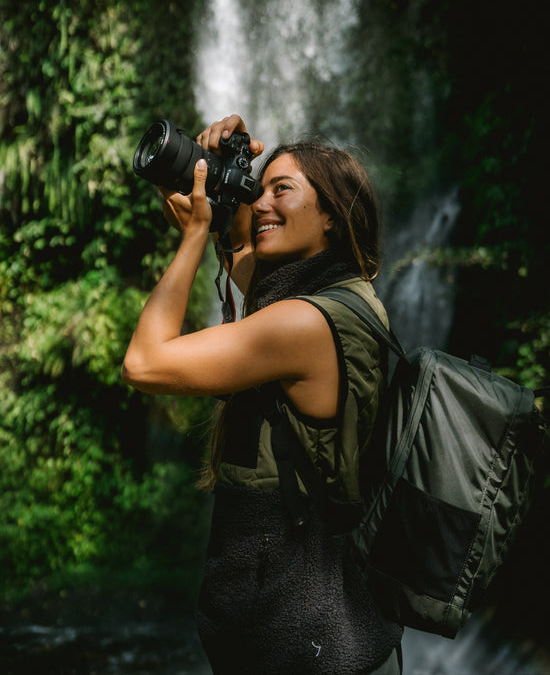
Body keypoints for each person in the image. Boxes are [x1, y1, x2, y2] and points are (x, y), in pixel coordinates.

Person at [122, 114, 403, 674]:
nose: (262, 203)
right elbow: (247, 258)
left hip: (299, 625)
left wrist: (194, 238)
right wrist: (208, 183)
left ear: (332, 217)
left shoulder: (301, 325)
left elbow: (144, 362)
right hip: (320, 615)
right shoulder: (346, 298)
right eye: (260, 187)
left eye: (283, 190)